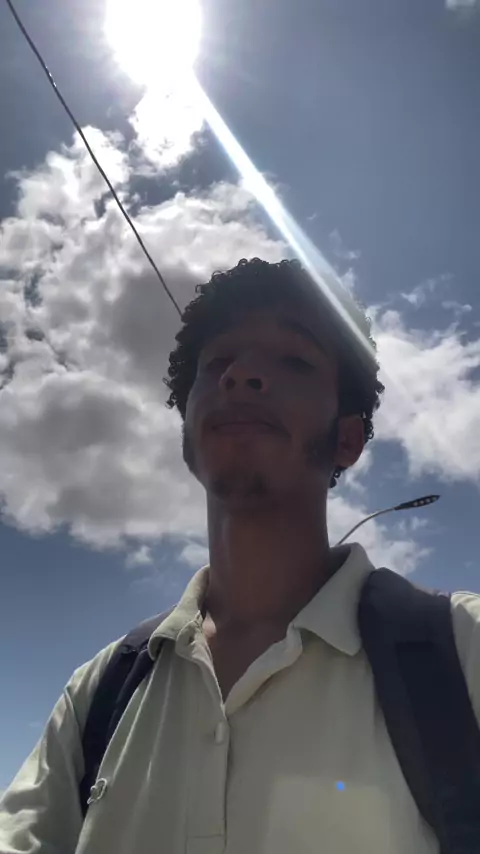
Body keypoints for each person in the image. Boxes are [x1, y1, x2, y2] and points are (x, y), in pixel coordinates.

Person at [1, 257, 480, 854]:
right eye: (219, 363)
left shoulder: (462, 648)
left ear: (348, 439)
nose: (241, 375)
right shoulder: (98, 693)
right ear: (186, 433)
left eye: (294, 360)